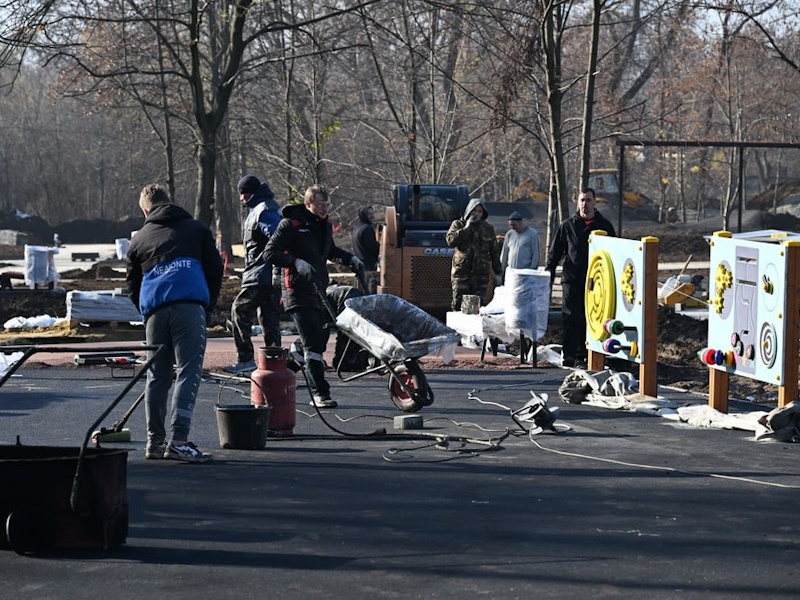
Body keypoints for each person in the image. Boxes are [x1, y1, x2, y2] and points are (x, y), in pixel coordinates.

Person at [127, 183, 223, 463]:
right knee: (187, 371)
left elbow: (132, 285)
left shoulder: (139, 239)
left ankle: (154, 443)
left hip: (155, 312)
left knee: (156, 376)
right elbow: (215, 268)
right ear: (170, 201)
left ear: (145, 209)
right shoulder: (196, 229)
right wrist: (209, 304)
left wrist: (146, 312)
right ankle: (179, 440)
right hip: (188, 306)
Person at [265, 185, 364, 408]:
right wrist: (295, 262)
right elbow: (270, 253)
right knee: (314, 346)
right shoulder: (291, 224)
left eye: (327, 205)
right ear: (308, 204)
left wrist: (350, 259)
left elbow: (329, 251)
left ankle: (290, 363)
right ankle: (320, 393)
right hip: (296, 291)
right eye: (320, 205)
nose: (324, 209)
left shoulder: (324, 226)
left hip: (318, 290)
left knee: (318, 338)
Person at [546, 187, 616, 368]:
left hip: (596, 282)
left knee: (590, 317)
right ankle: (569, 355)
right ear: (578, 203)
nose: (585, 204)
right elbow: (554, 254)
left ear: (595, 202)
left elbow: (615, 254)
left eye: (589, 200)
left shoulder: (604, 226)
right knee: (570, 317)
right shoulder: (568, 225)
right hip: (571, 278)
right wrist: (548, 277)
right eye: (582, 200)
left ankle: (586, 354)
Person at [223, 174, 282, 374]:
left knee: (239, 311)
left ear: (251, 193)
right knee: (269, 318)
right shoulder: (262, 209)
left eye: (243, 194)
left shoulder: (263, 211)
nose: (241, 199)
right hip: (263, 274)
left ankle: (245, 358)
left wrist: (275, 269)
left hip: (260, 275)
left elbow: (277, 238)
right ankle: (274, 363)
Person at [445, 197, 502, 312]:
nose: (476, 214)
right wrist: (466, 229)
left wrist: (498, 273)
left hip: (480, 274)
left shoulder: (487, 229)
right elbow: (450, 241)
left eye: (479, 211)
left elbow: (494, 252)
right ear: (469, 211)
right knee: (459, 305)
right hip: (462, 274)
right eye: (474, 210)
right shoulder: (458, 224)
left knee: (478, 306)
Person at [499, 210, 540, 278]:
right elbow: (504, 254)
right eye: (510, 225)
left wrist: (532, 271)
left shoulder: (532, 234)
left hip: (525, 273)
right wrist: (501, 271)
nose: (512, 227)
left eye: (514, 225)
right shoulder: (509, 234)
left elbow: (535, 254)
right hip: (511, 273)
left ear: (520, 222)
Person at [352, 205, 380, 293]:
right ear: (363, 215)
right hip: (368, 267)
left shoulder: (357, 227)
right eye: (369, 214)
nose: (372, 216)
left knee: (359, 292)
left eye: (372, 213)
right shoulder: (366, 229)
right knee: (369, 294)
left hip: (360, 265)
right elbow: (374, 247)